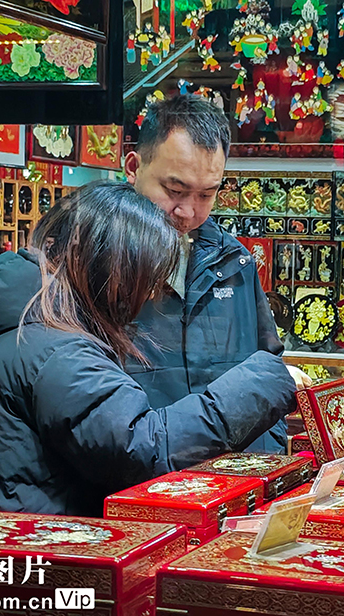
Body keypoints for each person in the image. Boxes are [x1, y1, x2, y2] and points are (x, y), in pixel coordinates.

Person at [0, 181, 297, 516]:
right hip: (27, 555)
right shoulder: (58, 349)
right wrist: (268, 382)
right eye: (145, 279)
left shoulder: (34, 321)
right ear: (110, 270)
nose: (149, 294)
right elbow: (142, 448)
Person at [123, 94, 308, 454]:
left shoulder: (233, 262)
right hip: (143, 483)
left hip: (236, 486)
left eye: (207, 195)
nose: (189, 212)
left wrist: (266, 461)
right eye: (174, 190)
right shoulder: (98, 265)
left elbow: (267, 369)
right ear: (133, 167)